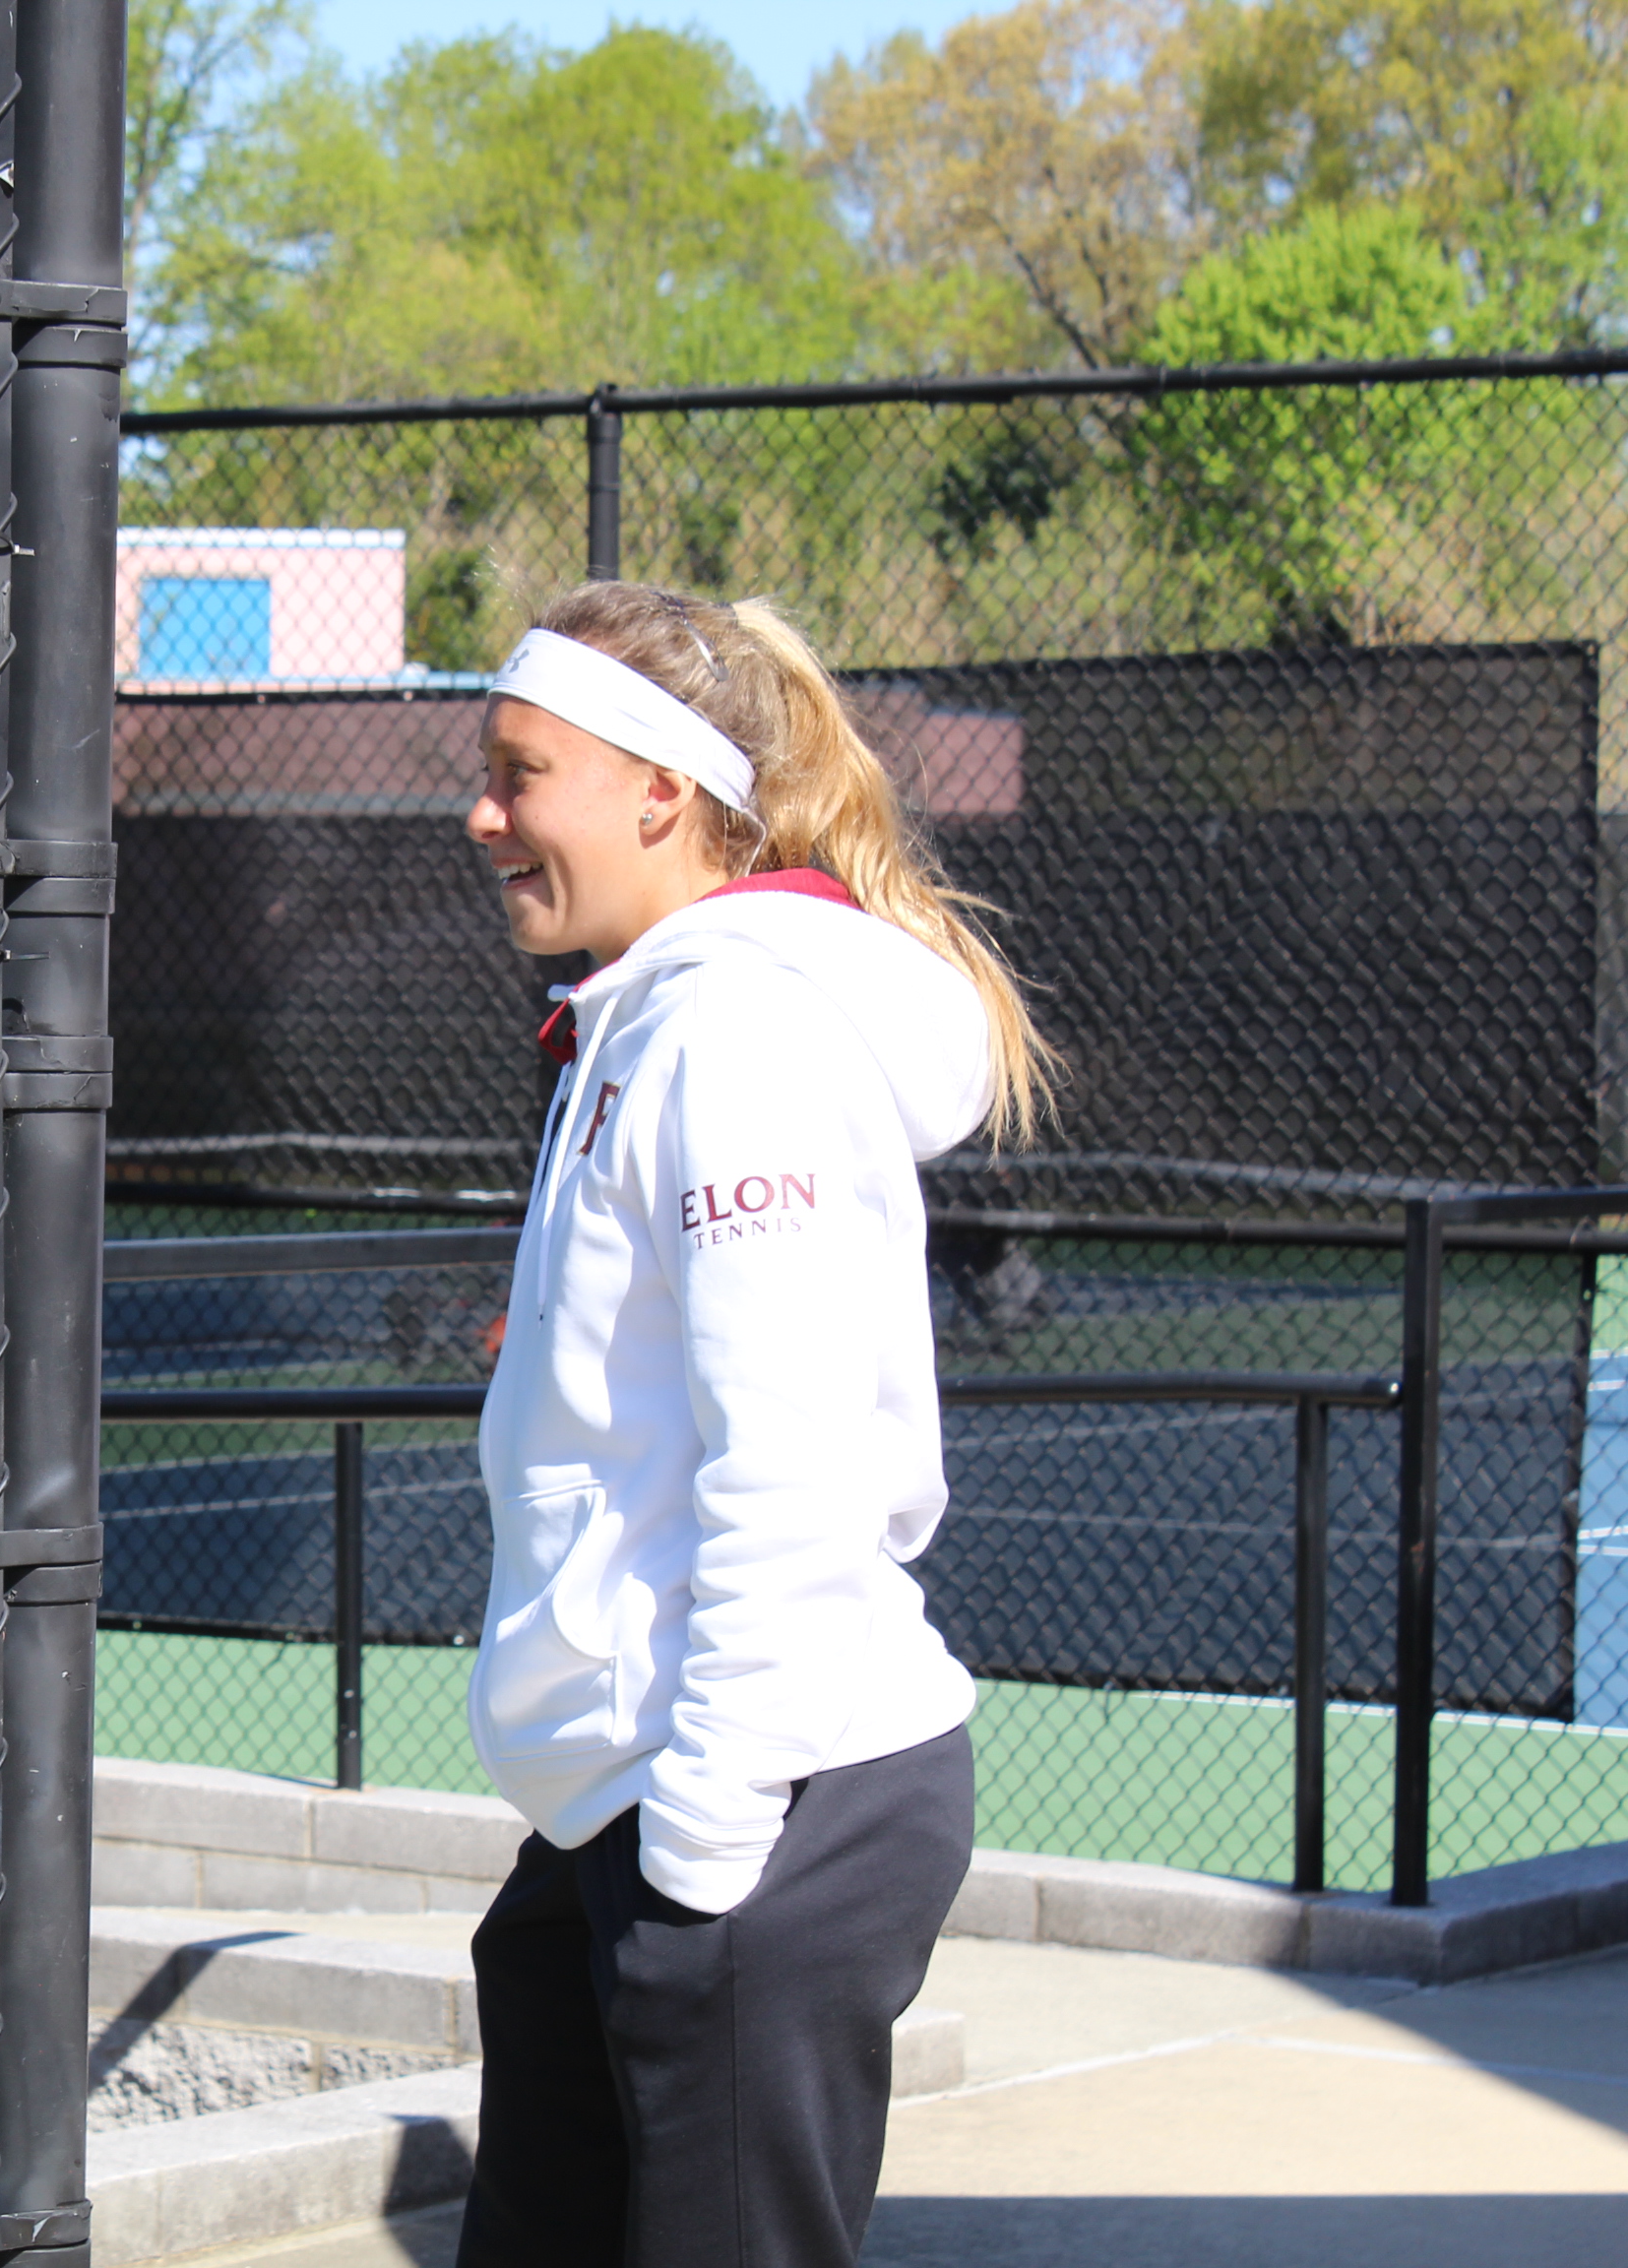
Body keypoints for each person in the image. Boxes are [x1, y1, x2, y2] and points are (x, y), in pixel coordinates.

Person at [455, 581, 1055, 2268]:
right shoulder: (638, 1024)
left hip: (756, 1818)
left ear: (658, 791)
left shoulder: (741, 1037)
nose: (482, 812)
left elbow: (789, 1470)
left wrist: (706, 1860)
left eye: (522, 772)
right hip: (628, 1822)